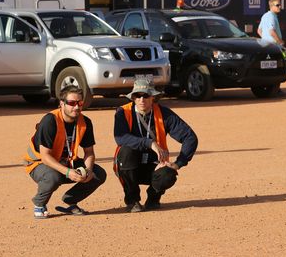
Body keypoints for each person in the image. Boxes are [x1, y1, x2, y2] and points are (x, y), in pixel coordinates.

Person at [113, 78, 198, 212]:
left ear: (153, 97)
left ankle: (153, 198)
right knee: (126, 151)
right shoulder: (123, 113)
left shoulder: (164, 113)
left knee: (168, 174)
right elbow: (121, 138)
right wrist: (150, 143)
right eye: (138, 95)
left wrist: (178, 163)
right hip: (129, 166)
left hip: (154, 165)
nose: (141, 99)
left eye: (146, 95)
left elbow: (190, 137)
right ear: (133, 98)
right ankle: (132, 200)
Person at [23, 85, 106, 219]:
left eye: (80, 103)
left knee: (98, 174)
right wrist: (68, 172)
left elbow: (89, 152)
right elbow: (45, 157)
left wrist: (89, 170)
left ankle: (70, 201)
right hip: (38, 163)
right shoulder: (50, 120)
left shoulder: (85, 122)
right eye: (72, 103)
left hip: (67, 160)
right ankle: (40, 204)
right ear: (62, 104)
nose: (77, 107)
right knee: (53, 177)